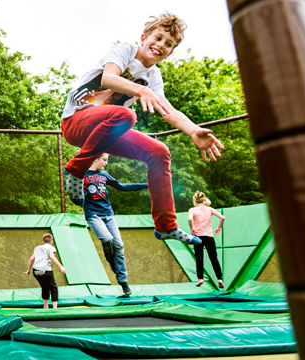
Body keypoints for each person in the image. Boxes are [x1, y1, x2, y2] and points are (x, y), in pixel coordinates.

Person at [60, 12, 224, 246]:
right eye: (157, 38)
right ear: (144, 37)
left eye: (168, 44)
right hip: (76, 121)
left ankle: (166, 226)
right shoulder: (125, 50)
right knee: (127, 114)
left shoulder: (153, 76)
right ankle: (76, 169)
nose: (160, 46)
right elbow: (108, 78)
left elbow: (168, 110)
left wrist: (193, 130)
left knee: (159, 152)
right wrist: (141, 91)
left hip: (105, 130)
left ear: (170, 53)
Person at [83, 153, 148, 295]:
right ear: (96, 158)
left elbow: (122, 186)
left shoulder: (104, 175)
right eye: (104, 160)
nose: (106, 163)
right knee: (107, 239)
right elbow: (71, 189)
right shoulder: (82, 175)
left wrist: (146, 185)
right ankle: (112, 261)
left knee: (119, 244)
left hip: (108, 214)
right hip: (93, 215)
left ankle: (123, 282)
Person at [188, 191, 225, 289]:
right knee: (213, 257)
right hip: (209, 236)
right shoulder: (210, 209)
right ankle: (219, 278)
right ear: (204, 201)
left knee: (199, 257)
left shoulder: (192, 210)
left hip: (198, 236)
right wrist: (218, 227)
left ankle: (200, 278)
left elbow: (189, 219)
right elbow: (222, 217)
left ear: (195, 202)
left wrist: (192, 229)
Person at [24, 233, 66, 309]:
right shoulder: (51, 248)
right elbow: (51, 256)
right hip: (45, 270)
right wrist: (61, 267)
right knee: (54, 287)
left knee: (44, 287)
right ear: (52, 242)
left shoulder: (37, 248)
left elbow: (31, 259)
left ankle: (45, 306)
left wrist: (28, 270)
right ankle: (55, 308)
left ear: (43, 242)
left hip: (36, 271)